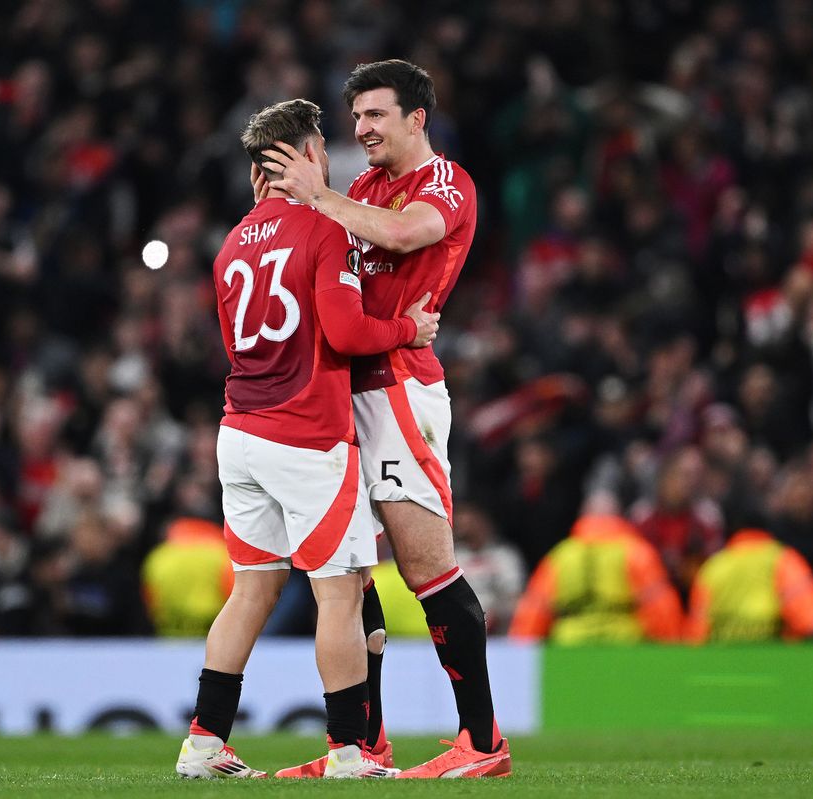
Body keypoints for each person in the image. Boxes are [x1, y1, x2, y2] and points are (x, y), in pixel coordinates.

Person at [174, 98, 437, 780]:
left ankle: (203, 742)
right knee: (339, 591)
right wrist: (409, 329)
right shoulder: (324, 231)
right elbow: (346, 335)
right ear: (304, 157)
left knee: (251, 590)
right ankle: (349, 749)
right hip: (307, 437)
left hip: (240, 431)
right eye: (323, 147)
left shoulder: (230, 243)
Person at [260, 59, 509, 779]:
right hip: (340, 391)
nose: (361, 129)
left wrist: (322, 198)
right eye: (357, 116)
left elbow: (403, 237)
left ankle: (483, 741)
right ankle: (364, 744)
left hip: (400, 388)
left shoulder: (447, 184)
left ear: (416, 119)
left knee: (425, 564)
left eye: (375, 115)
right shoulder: (362, 190)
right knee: (350, 572)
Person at [507, 507, 683, 643]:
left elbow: (533, 612)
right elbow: (662, 609)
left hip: (568, 649)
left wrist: (520, 652)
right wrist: (671, 652)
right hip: (625, 649)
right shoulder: (636, 552)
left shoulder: (560, 556)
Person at [683, 517, 813, 643]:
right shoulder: (783, 559)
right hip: (778, 670)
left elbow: (696, 636)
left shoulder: (714, 567)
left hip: (721, 671)